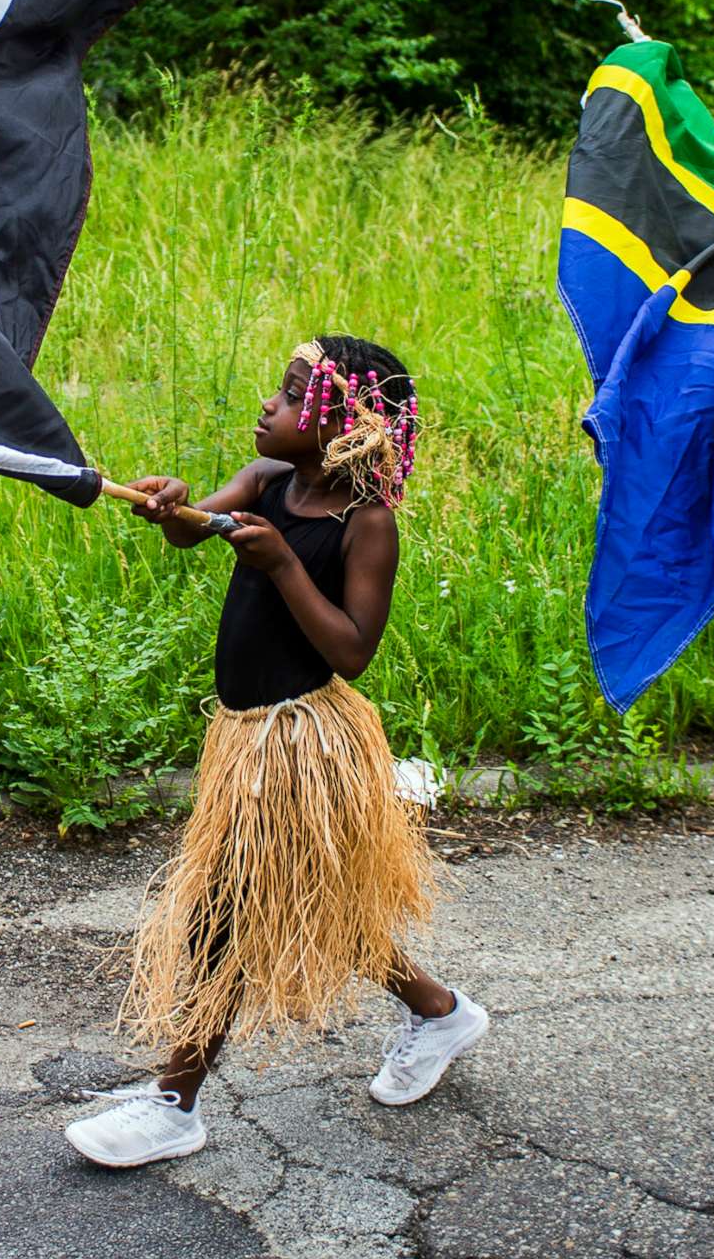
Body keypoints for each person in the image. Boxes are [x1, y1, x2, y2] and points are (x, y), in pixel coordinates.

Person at [62, 336, 485, 1169]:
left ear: (340, 425)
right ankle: (439, 1011)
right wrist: (172, 502)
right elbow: (194, 528)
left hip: (301, 743)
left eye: (291, 394)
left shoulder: (367, 524)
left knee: (222, 920)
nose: (269, 404)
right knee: (323, 910)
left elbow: (351, 650)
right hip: (243, 741)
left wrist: (286, 564)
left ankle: (175, 1104)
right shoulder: (265, 483)